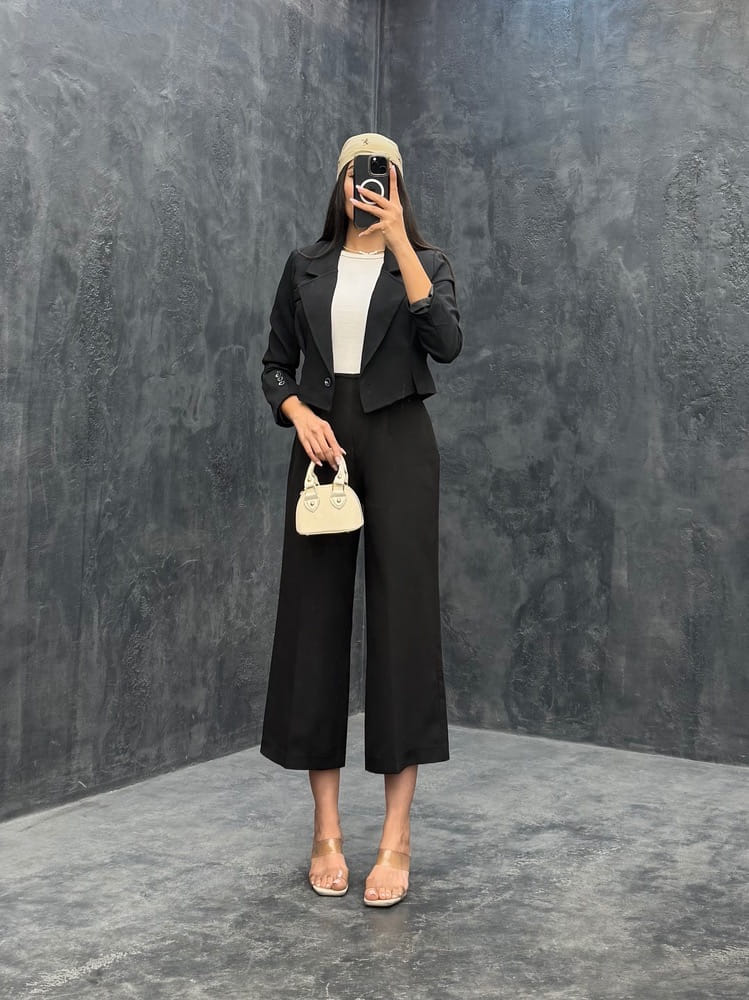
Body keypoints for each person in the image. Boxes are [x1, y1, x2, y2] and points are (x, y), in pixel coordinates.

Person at [259, 133, 462, 907]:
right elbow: (274, 363)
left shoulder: (425, 261)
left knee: (402, 627)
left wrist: (401, 241)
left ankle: (396, 839)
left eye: (382, 176)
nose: (367, 186)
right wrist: (296, 412)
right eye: (356, 173)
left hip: (401, 441)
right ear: (339, 182)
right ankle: (326, 831)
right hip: (322, 444)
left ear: (397, 187)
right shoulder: (305, 264)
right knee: (314, 624)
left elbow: (446, 343)